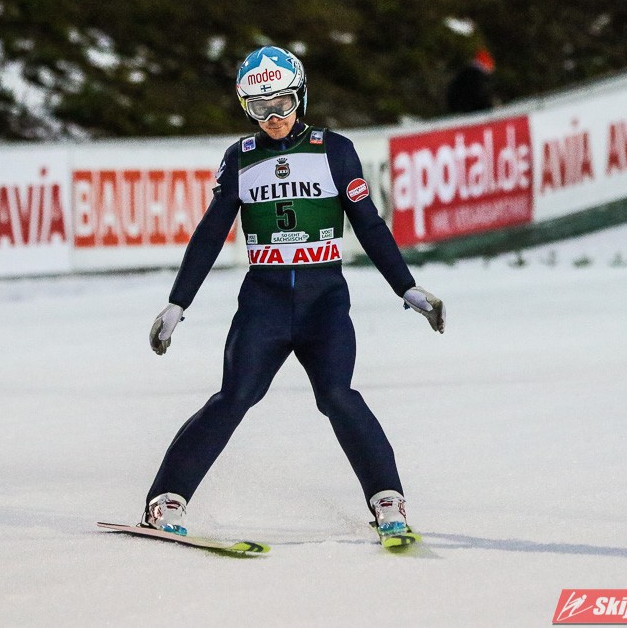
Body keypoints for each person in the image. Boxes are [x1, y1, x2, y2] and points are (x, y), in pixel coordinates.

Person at [143, 45, 445, 539]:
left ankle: (387, 499)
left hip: (323, 303)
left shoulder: (334, 150)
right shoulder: (240, 158)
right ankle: (165, 500)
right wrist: (179, 302)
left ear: (300, 96)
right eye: (259, 108)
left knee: (338, 396)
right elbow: (210, 232)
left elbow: (368, 223)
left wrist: (406, 288)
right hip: (263, 304)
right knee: (235, 396)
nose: (273, 117)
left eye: (281, 103)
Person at [446, 48, 497, 114]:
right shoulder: (476, 76)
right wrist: (489, 107)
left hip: (460, 109)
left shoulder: (466, 73)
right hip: (469, 111)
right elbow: (479, 95)